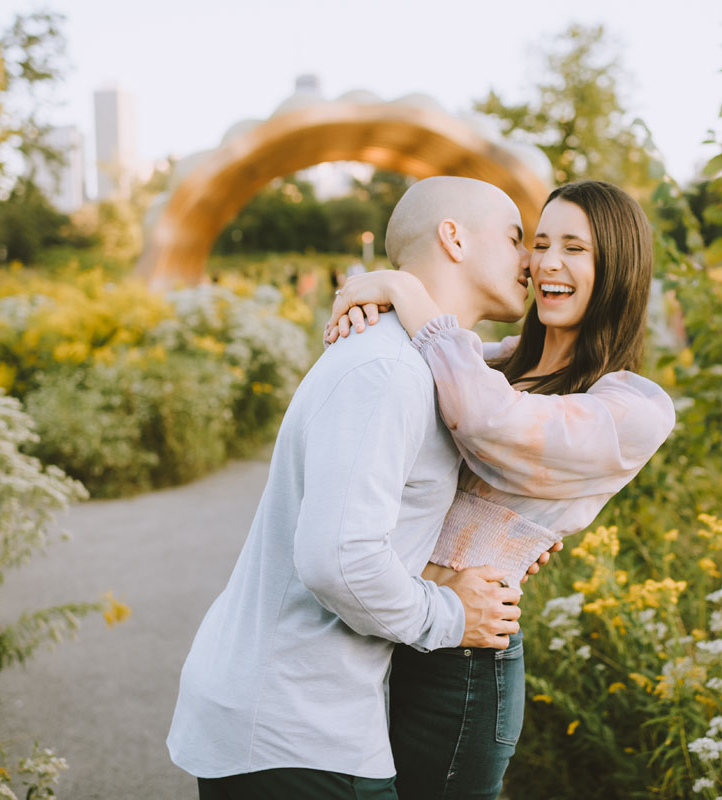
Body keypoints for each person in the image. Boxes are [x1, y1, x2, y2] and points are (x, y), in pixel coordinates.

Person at [168, 177, 543, 800]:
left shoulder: (420, 360)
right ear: (453, 237)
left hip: (321, 716)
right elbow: (338, 559)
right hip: (290, 727)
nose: (530, 261)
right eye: (514, 238)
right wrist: (453, 614)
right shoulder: (386, 369)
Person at [324, 179, 676, 799]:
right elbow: (401, 379)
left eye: (576, 248)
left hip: (463, 663)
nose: (547, 264)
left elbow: (489, 421)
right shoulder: (497, 362)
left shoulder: (631, 408)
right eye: (539, 243)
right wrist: (366, 298)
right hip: (396, 627)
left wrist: (404, 288)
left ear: (618, 268)